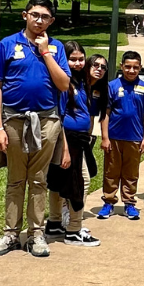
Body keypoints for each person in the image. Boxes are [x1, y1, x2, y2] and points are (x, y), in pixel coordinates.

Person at [0, 0, 71, 258]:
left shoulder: (56, 47)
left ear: (51, 21)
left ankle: (36, 234)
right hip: (14, 120)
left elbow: (64, 85)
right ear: (25, 15)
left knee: (38, 179)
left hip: (47, 121)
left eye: (45, 17)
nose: (39, 20)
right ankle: (10, 234)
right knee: (15, 179)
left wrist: (45, 51)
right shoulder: (7, 45)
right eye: (34, 14)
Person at [45, 44, 104, 247]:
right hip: (67, 139)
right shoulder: (64, 83)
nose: (78, 63)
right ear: (64, 59)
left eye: (81, 59)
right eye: (73, 59)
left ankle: (54, 223)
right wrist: (65, 149)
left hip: (79, 139)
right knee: (80, 182)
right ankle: (74, 230)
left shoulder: (80, 82)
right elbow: (59, 116)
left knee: (59, 181)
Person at [97, 51, 144, 220]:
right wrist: (105, 137)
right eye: (127, 66)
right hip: (114, 138)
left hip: (134, 138)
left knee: (131, 173)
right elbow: (105, 113)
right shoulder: (112, 86)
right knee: (111, 171)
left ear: (140, 68)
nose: (131, 70)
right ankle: (109, 202)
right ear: (121, 66)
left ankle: (129, 203)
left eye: (135, 67)